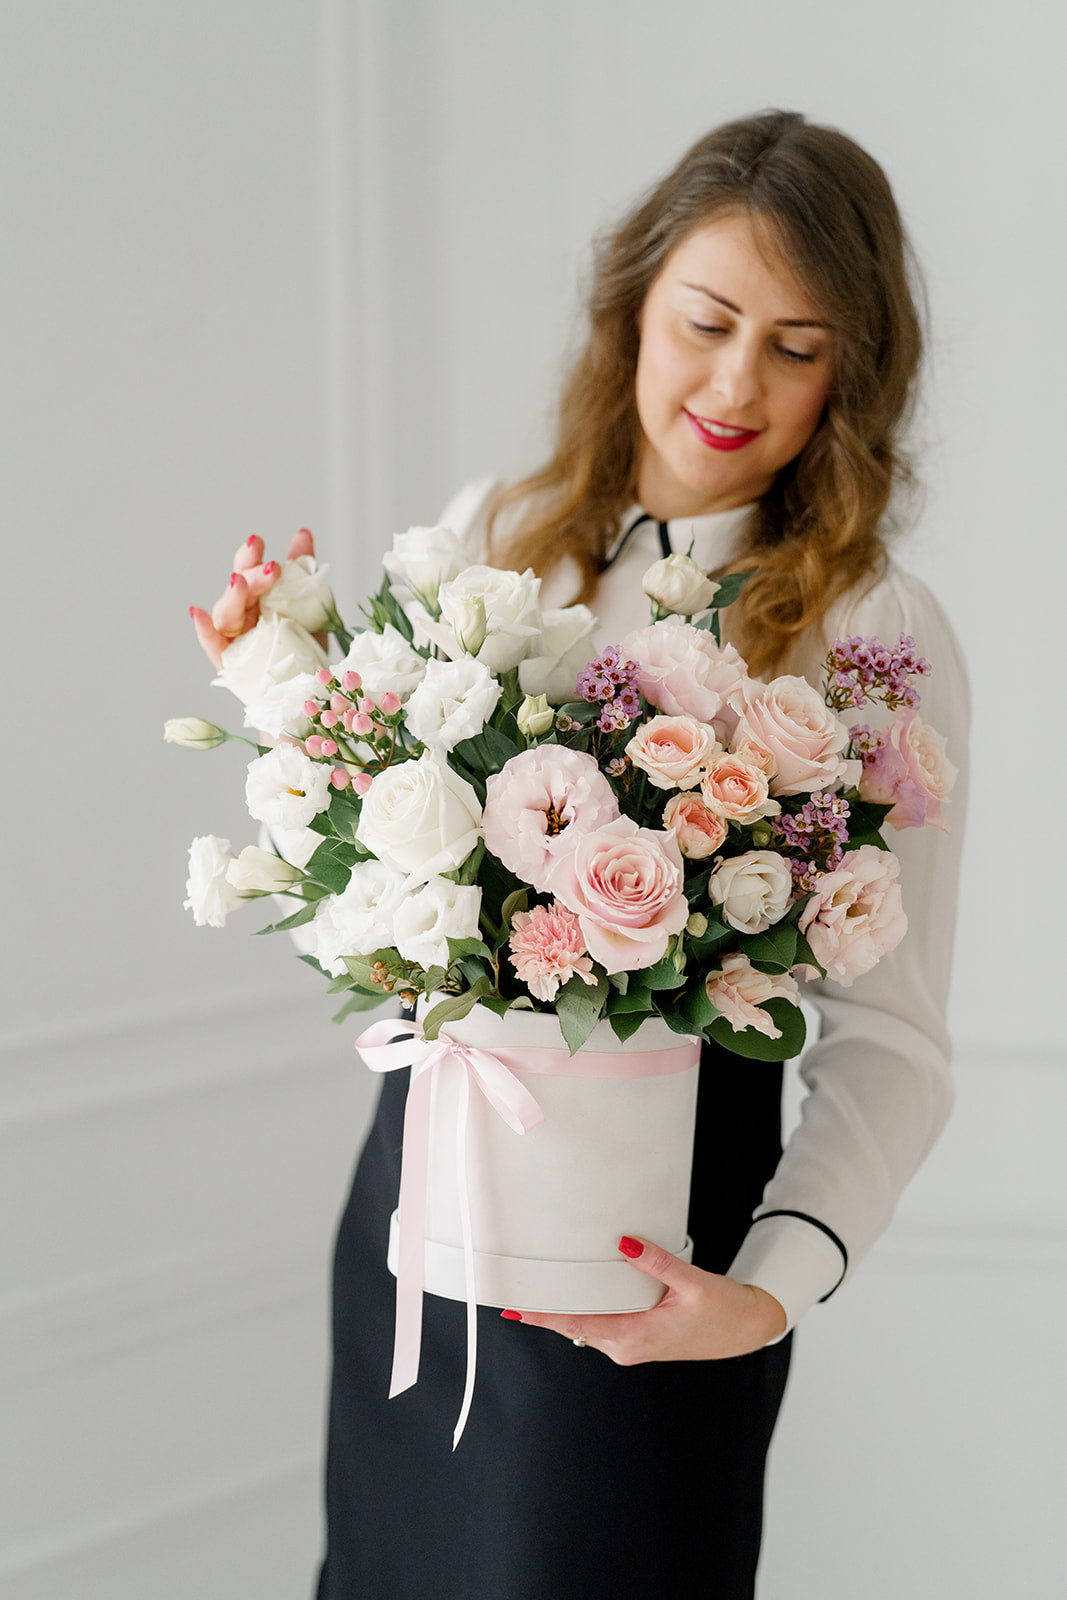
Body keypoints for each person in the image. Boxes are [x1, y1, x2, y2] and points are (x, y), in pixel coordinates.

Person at [192, 109, 970, 1598]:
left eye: (799, 347)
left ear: (853, 379)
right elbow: (362, 841)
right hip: (423, 1214)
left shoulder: (873, 626)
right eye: (708, 320)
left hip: (661, 1261)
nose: (737, 382)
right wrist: (277, 680)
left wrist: (768, 1292)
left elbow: (896, 1043)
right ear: (633, 313)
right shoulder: (497, 533)